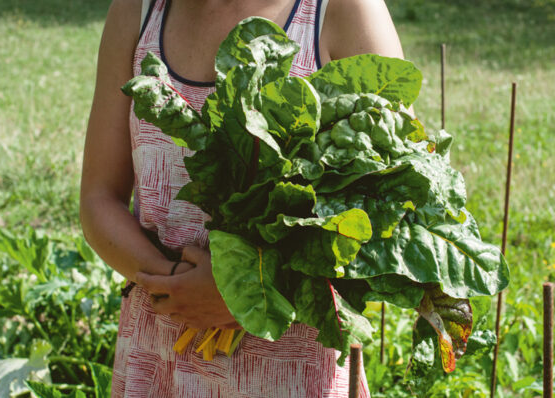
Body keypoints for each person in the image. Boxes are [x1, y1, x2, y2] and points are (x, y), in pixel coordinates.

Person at [80, 0, 404, 396]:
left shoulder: (343, 10)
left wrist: (251, 292)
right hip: (159, 351)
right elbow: (99, 199)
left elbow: (396, 203)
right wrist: (177, 285)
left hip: (290, 367)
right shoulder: (139, 10)